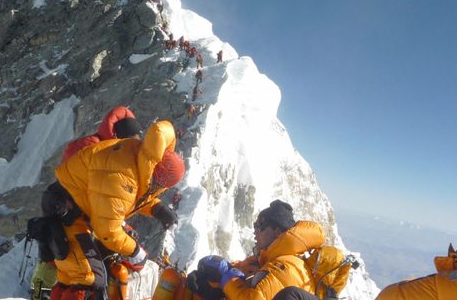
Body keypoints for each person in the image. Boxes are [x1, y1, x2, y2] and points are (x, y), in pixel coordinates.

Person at [45, 120, 186, 300]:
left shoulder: (141, 158)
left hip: (78, 206)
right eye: (159, 184)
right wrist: (135, 251)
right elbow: (107, 230)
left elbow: (131, 197)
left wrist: (157, 208)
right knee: (88, 278)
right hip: (67, 211)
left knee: (70, 276)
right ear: (157, 173)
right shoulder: (124, 175)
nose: (157, 188)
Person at [187, 200, 330, 300]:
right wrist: (215, 278)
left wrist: (225, 274)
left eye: (260, 227)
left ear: (278, 232)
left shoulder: (285, 267)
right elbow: (241, 273)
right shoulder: (270, 259)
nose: (255, 232)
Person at [61, 106, 142, 162]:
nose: (133, 145)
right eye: (130, 140)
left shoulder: (119, 152)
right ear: (117, 136)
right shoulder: (90, 146)